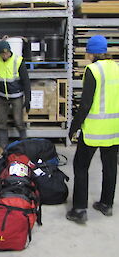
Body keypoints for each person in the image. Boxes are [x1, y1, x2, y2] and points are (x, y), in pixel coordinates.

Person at [66, 35, 119, 224]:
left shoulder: (93, 70)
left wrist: (73, 127)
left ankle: (79, 210)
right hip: (114, 129)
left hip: (94, 130)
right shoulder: (116, 68)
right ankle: (107, 204)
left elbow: (86, 104)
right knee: (110, 167)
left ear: (90, 53)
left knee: (80, 167)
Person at [0, 40, 31, 148]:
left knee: (18, 121)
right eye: (2, 53)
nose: (5, 55)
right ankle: (3, 146)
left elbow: (26, 81)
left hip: (17, 96)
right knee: (0, 121)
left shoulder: (18, 61)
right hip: (2, 96)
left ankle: (25, 145)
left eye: (6, 53)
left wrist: (28, 98)